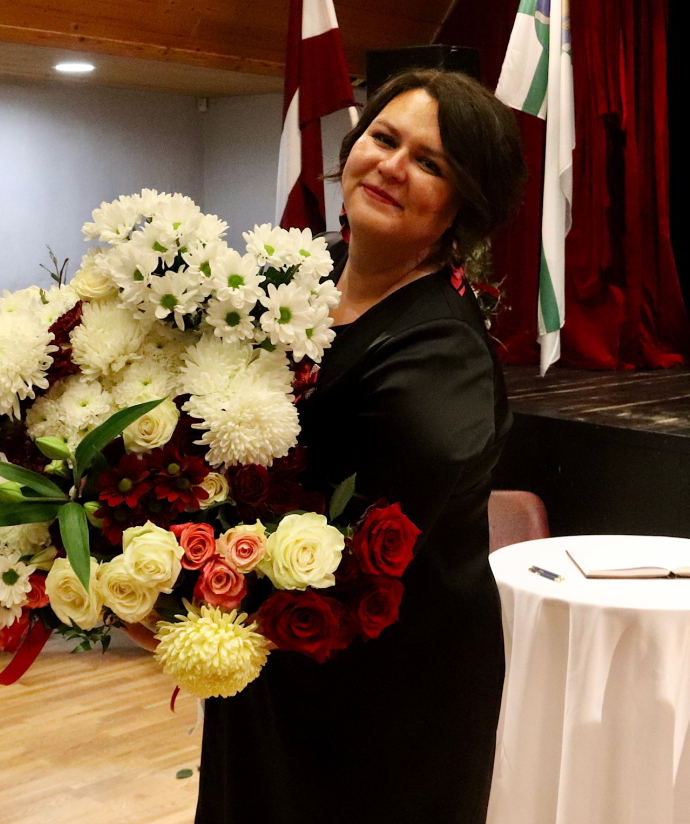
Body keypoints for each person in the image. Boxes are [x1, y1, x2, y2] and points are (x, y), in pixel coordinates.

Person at [193, 68, 528, 824]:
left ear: (462, 207)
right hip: (275, 659)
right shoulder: (299, 275)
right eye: (383, 137)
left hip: (382, 695)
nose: (392, 165)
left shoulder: (440, 356)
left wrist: (186, 587)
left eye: (430, 162)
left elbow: (356, 555)